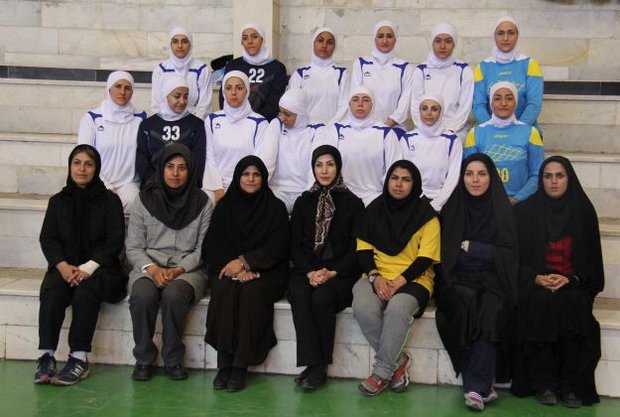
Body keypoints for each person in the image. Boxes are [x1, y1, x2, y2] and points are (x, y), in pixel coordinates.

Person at [511, 156, 604, 408]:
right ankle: (545, 383)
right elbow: (515, 259)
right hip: (536, 283)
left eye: (559, 176)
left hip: (573, 283)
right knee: (541, 303)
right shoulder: (525, 212)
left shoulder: (583, 212)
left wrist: (570, 279)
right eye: (547, 176)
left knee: (572, 304)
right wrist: (536, 278)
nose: (553, 182)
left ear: (569, 178)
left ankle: (571, 386)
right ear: (540, 180)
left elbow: (593, 268)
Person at [35, 144, 127, 386]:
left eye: (89, 164)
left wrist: (87, 268)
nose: (82, 169)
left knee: (85, 292)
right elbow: (48, 238)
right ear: (70, 166)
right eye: (77, 163)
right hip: (65, 267)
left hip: (101, 268)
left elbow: (114, 241)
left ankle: (78, 358)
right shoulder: (58, 201)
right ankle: (46, 355)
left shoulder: (110, 201)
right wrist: (63, 267)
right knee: (52, 290)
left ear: (96, 169)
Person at [436, 153, 518, 411]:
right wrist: (487, 253)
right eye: (469, 174)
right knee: (466, 302)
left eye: (481, 174)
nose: (475, 180)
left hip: (494, 281)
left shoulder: (502, 210)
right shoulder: (453, 208)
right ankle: (481, 387)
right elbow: (448, 254)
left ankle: (475, 387)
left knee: (491, 310)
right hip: (458, 280)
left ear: (491, 177)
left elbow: (509, 253)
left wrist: (474, 248)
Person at [353, 160, 440, 396]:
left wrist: (398, 283)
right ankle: (398, 361)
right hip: (376, 275)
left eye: (406, 179)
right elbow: (363, 250)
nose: (399, 184)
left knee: (396, 309)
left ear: (415, 184)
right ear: (387, 180)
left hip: (415, 279)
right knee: (362, 307)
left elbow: (425, 259)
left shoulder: (427, 216)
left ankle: (381, 374)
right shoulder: (374, 209)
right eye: (394, 178)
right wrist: (375, 277)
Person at [126, 144, 213, 382]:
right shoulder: (143, 200)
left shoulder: (203, 203)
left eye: (182, 168)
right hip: (149, 266)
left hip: (188, 269)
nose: (175, 173)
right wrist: (153, 269)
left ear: (191, 171)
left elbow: (203, 249)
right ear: (161, 169)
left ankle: (173, 359)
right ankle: (143, 359)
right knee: (143, 295)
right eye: (170, 167)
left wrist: (177, 270)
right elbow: (133, 246)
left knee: (174, 295)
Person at [204, 156, 290, 392]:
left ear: (263, 178)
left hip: (268, 271)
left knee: (252, 293)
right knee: (223, 290)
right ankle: (224, 364)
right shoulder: (225, 206)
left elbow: (279, 246)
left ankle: (240, 365)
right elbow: (213, 244)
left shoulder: (275, 208)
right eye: (245, 174)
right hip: (229, 269)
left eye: (256, 175)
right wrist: (235, 268)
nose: (251, 179)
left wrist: (247, 263)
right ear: (237, 177)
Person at [288, 145, 364, 391]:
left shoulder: (353, 203)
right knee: (299, 293)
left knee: (322, 298)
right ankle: (312, 363)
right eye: (319, 165)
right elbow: (294, 245)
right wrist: (310, 272)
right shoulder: (304, 201)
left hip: (340, 273)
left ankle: (319, 367)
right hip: (308, 271)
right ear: (312, 168)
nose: (324, 170)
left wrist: (332, 272)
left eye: (330, 164)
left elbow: (357, 248)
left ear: (338, 167)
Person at [464, 81, 544, 205]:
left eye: (509, 98)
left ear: (516, 102)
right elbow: (469, 173)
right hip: (486, 204)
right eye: (497, 98)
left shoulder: (531, 133)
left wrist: (517, 199)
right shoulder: (475, 134)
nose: (503, 103)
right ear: (490, 102)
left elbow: (537, 173)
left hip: (522, 205)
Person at [320, 86, 402, 206]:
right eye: (355, 99)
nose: (360, 104)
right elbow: (325, 165)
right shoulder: (336, 130)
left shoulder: (386, 133)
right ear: (349, 104)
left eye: (365, 100)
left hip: (375, 197)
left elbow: (395, 168)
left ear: (372, 104)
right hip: (342, 196)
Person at [78, 71, 146, 210]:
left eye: (128, 88)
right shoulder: (92, 118)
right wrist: (106, 186)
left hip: (129, 183)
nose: (122, 92)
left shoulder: (141, 118)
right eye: (118, 86)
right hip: (98, 181)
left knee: (134, 202)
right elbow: (84, 155)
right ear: (109, 88)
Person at [206, 70, 275, 194]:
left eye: (239, 88)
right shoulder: (211, 120)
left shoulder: (260, 123)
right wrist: (217, 188)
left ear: (247, 91)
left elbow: (262, 161)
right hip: (216, 188)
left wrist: (243, 187)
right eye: (228, 88)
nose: (233, 93)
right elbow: (208, 158)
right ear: (223, 92)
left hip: (248, 186)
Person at [473, 16, 543, 130]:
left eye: (511, 33)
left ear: (517, 36)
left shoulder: (530, 64)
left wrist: (517, 130)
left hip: (525, 129)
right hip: (489, 131)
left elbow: (534, 105)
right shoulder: (482, 67)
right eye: (500, 33)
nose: (505, 38)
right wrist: (491, 130)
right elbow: (478, 106)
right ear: (494, 36)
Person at [137, 74, 206, 189]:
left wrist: (185, 183)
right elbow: (142, 159)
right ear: (166, 96)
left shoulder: (197, 125)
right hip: (154, 187)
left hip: (187, 187)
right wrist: (155, 182)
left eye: (185, 96)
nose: (182, 101)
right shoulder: (148, 125)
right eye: (177, 96)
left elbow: (199, 160)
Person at [411, 22, 473, 141]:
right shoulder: (421, 69)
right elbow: (415, 105)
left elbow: (465, 106)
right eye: (438, 41)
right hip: (425, 129)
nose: (442, 46)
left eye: (448, 41)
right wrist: (427, 129)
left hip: (455, 130)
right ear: (432, 43)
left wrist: (450, 130)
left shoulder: (463, 70)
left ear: (454, 44)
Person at [401, 94, 462, 212]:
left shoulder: (452, 140)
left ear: (441, 112)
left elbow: (453, 177)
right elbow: (405, 174)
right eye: (424, 108)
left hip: (444, 202)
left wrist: (437, 203)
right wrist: (419, 200)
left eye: (434, 109)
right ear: (419, 111)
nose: (429, 113)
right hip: (413, 199)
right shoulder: (407, 139)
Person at [350, 20, 413, 133]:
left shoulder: (405, 67)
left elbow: (405, 104)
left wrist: (385, 126)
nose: (384, 40)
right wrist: (371, 127)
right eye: (380, 36)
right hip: (365, 128)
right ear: (375, 38)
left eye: (389, 36)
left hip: (395, 130)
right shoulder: (361, 63)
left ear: (395, 40)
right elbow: (355, 97)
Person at [268, 88, 323, 213]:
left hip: (304, 190)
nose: (282, 117)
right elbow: (267, 160)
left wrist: (309, 194)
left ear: (301, 115)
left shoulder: (317, 129)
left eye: (287, 114)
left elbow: (316, 165)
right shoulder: (276, 125)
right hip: (278, 190)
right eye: (280, 112)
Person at [220, 22, 288, 121]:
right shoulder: (233, 65)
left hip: (265, 124)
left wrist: (255, 121)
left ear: (262, 39)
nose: (250, 41)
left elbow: (275, 102)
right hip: (234, 121)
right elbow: (224, 97)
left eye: (254, 37)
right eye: (245, 38)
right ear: (241, 42)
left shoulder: (277, 68)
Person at [287, 27, 349, 124]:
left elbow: (344, 105)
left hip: (332, 131)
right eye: (320, 41)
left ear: (334, 47)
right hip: (306, 131)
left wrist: (330, 126)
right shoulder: (300, 73)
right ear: (313, 43)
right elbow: (292, 105)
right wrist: (310, 127)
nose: (324, 45)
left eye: (329, 42)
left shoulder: (342, 73)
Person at [151, 27, 212, 120]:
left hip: (193, 124)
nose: (180, 46)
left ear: (190, 44)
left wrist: (190, 125)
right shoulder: (160, 70)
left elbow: (204, 106)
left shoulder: (202, 69)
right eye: (175, 41)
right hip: (165, 123)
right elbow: (156, 104)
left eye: (184, 41)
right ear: (170, 45)